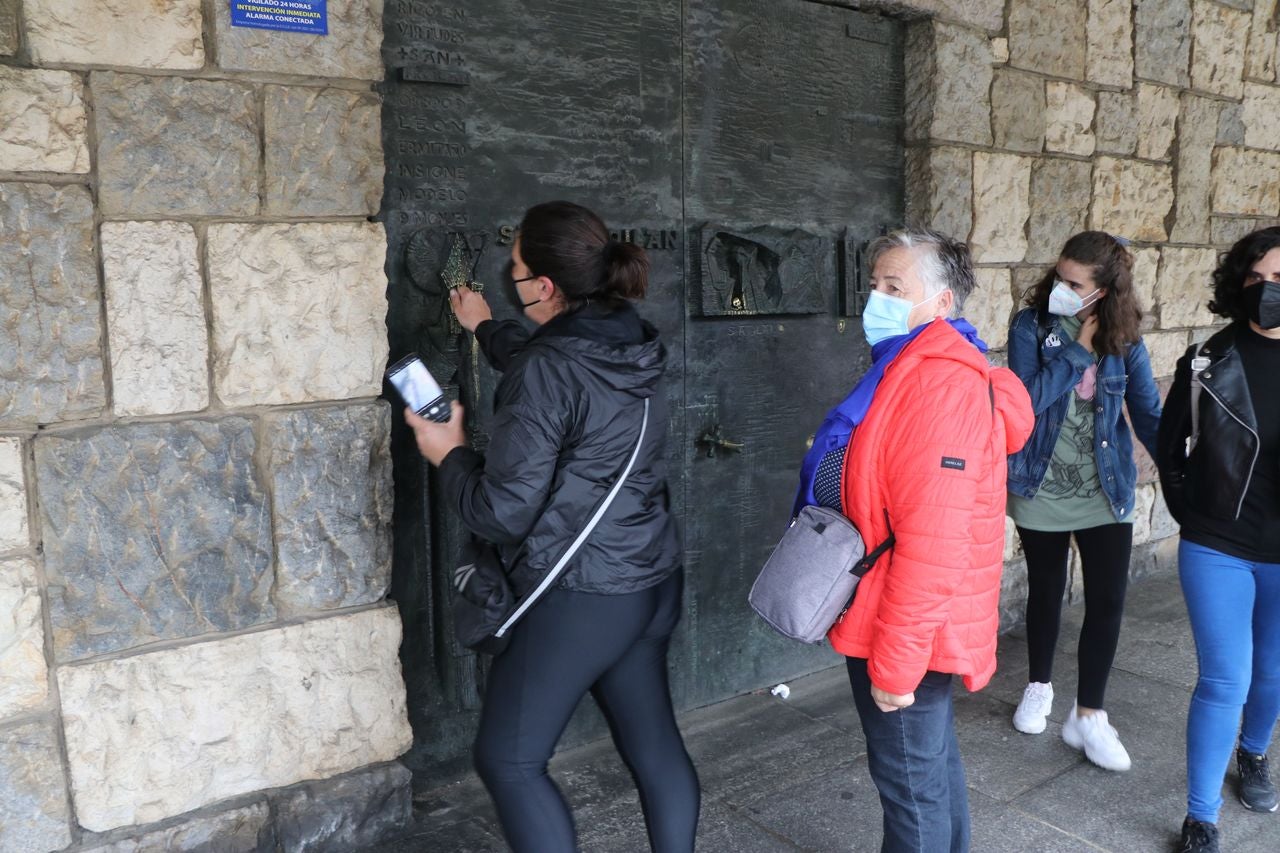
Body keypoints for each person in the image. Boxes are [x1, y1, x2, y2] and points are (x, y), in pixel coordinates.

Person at [404, 201, 699, 852]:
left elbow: (500, 510)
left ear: (542, 286)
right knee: (653, 747)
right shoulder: (630, 335)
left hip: (582, 593)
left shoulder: (548, 366)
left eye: (513, 269)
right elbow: (558, 366)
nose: (507, 277)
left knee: (509, 761)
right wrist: (486, 329)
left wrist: (447, 451)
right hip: (648, 579)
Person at [794, 228, 1033, 852]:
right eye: (875, 285)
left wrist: (896, 664)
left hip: (905, 625)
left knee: (910, 785)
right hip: (903, 612)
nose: (878, 299)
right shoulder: (910, 368)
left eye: (895, 287)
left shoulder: (939, 386)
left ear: (943, 303)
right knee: (927, 768)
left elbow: (932, 542)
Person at [1004, 232, 1162, 771]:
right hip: (1040, 485)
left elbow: (1146, 411)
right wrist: (1076, 352)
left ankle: (1089, 716)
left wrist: (1186, 473)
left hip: (1105, 488)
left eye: (1074, 284)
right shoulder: (1032, 326)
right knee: (1046, 591)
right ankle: (1039, 686)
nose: (1060, 289)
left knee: (1108, 602)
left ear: (1102, 292)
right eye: (1059, 276)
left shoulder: (1126, 336)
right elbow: (1023, 404)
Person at [1157, 226, 1280, 853]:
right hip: (1219, 545)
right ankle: (1201, 817)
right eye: (1257, 278)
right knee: (1225, 679)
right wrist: (1191, 513)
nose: (1268, 291)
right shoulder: (1210, 360)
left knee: (1272, 674)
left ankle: (1254, 754)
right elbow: (1169, 442)